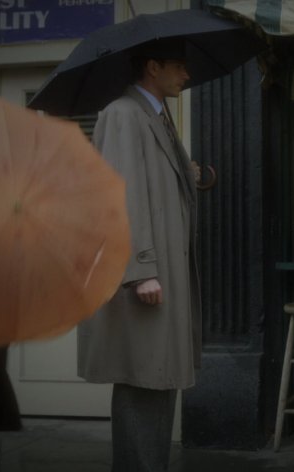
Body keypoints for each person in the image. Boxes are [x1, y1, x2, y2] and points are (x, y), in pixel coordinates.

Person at [77, 38, 201, 472]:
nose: (187, 75)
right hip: (145, 273)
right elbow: (120, 197)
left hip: (161, 268)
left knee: (156, 377)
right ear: (153, 67)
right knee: (144, 376)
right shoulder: (123, 114)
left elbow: (155, 179)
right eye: (179, 66)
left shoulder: (154, 113)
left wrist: (194, 175)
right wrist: (140, 270)